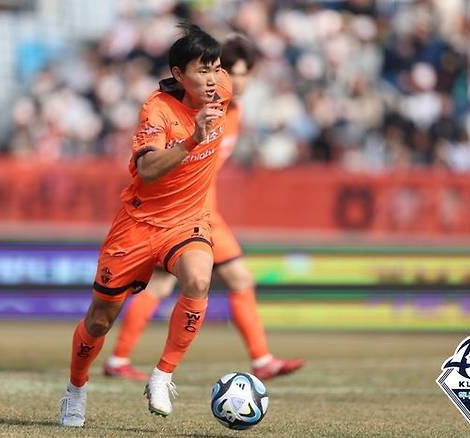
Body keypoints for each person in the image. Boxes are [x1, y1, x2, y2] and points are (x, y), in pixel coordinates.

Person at [103, 35, 304, 383]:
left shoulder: (232, 112)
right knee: (166, 284)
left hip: (203, 211)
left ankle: (261, 359)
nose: (235, 81)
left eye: (243, 75)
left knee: (222, 279)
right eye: (231, 72)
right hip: (181, 213)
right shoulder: (184, 107)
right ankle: (121, 358)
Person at [59, 23, 231, 427]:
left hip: (188, 221)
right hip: (138, 224)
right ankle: (76, 388)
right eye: (202, 71)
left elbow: (238, 74)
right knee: (100, 319)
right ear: (178, 74)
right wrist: (193, 139)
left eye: (217, 69)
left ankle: (162, 375)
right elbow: (148, 170)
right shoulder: (156, 110)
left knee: (199, 280)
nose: (213, 79)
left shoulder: (222, 88)